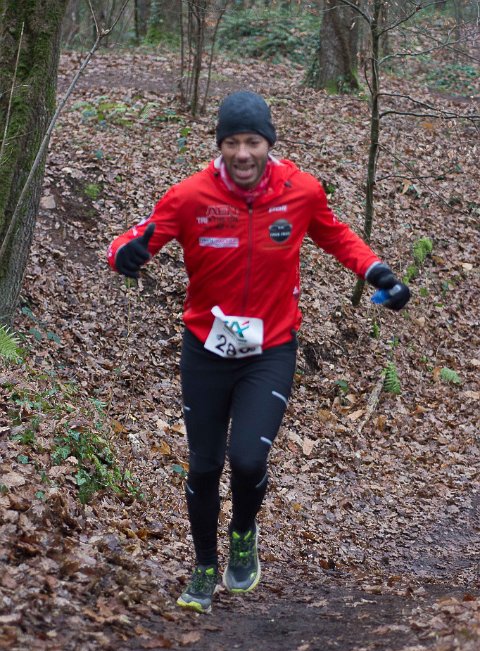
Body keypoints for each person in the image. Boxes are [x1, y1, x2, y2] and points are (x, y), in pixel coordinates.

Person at [107, 91, 410, 614]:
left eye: (252, 141)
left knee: (248, 458)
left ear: (268, 143)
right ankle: (204, 566)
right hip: (206, 348)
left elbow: (338, 237)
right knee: (204, 466)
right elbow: (135, 239)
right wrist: (125, 255)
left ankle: (243, 532)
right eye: (232, 142)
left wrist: (378, 273)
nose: (242, 153)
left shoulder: (301, 191)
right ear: (220, 146)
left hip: (270, 348)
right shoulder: (190, 196)